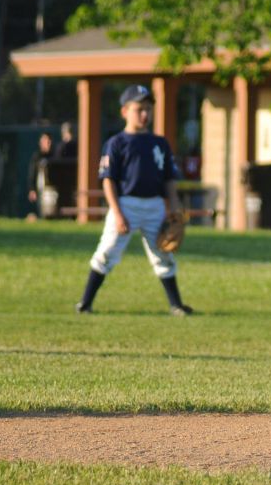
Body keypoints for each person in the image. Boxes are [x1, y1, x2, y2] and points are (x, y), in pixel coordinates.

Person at [75, 84, 193, 316]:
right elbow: (108, 180)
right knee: (108, 251)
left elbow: (169, 178)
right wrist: (117, 213)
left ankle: (176, 305)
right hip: (125, 204)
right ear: (125, 111)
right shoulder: (117, 143)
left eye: (148, 109)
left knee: (163, 253)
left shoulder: (159, 143)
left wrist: (175, 206)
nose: (145, 114)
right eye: (139, 109)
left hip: (155, 205)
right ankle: (85, 303)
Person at [27, 132, 53, 210]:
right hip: (41, 189)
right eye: (44, 141)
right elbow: (32, 174)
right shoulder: (37, 157)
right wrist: (32, 189)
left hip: (52, 189)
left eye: (48, 141)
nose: (46, 143)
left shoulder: (54, 155)